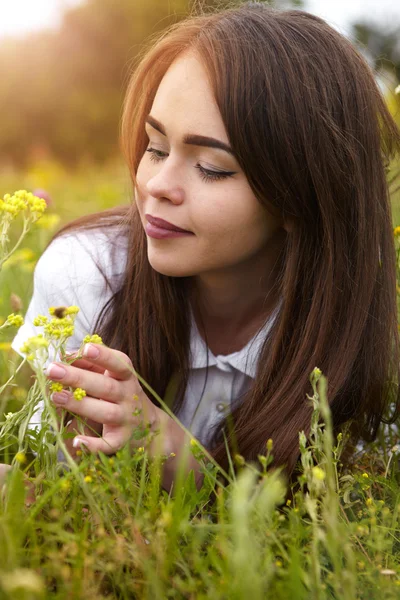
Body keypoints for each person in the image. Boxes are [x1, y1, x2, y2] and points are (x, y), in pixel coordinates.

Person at [9, 1, 400, 492]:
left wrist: (177, 459)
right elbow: (48, 480)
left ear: (301, 195)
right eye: (155, 147)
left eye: (212, 167)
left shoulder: (365, 345)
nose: (156, 185)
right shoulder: (86, 275)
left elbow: (347, 521)